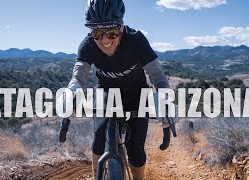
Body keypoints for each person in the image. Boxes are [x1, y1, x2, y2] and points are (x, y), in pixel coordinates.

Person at [66, 0, 171, 179]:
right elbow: (78, 78)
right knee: (98, 142)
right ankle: (96, 175)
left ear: (121, 28)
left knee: (136, 151)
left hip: (137, 94)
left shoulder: (136, 40)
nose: (105, 40)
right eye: (97, 33)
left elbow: (158, 76)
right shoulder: (87, 44)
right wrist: (72, 93)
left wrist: (164, 97)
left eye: (112, 32)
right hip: (107, 94)